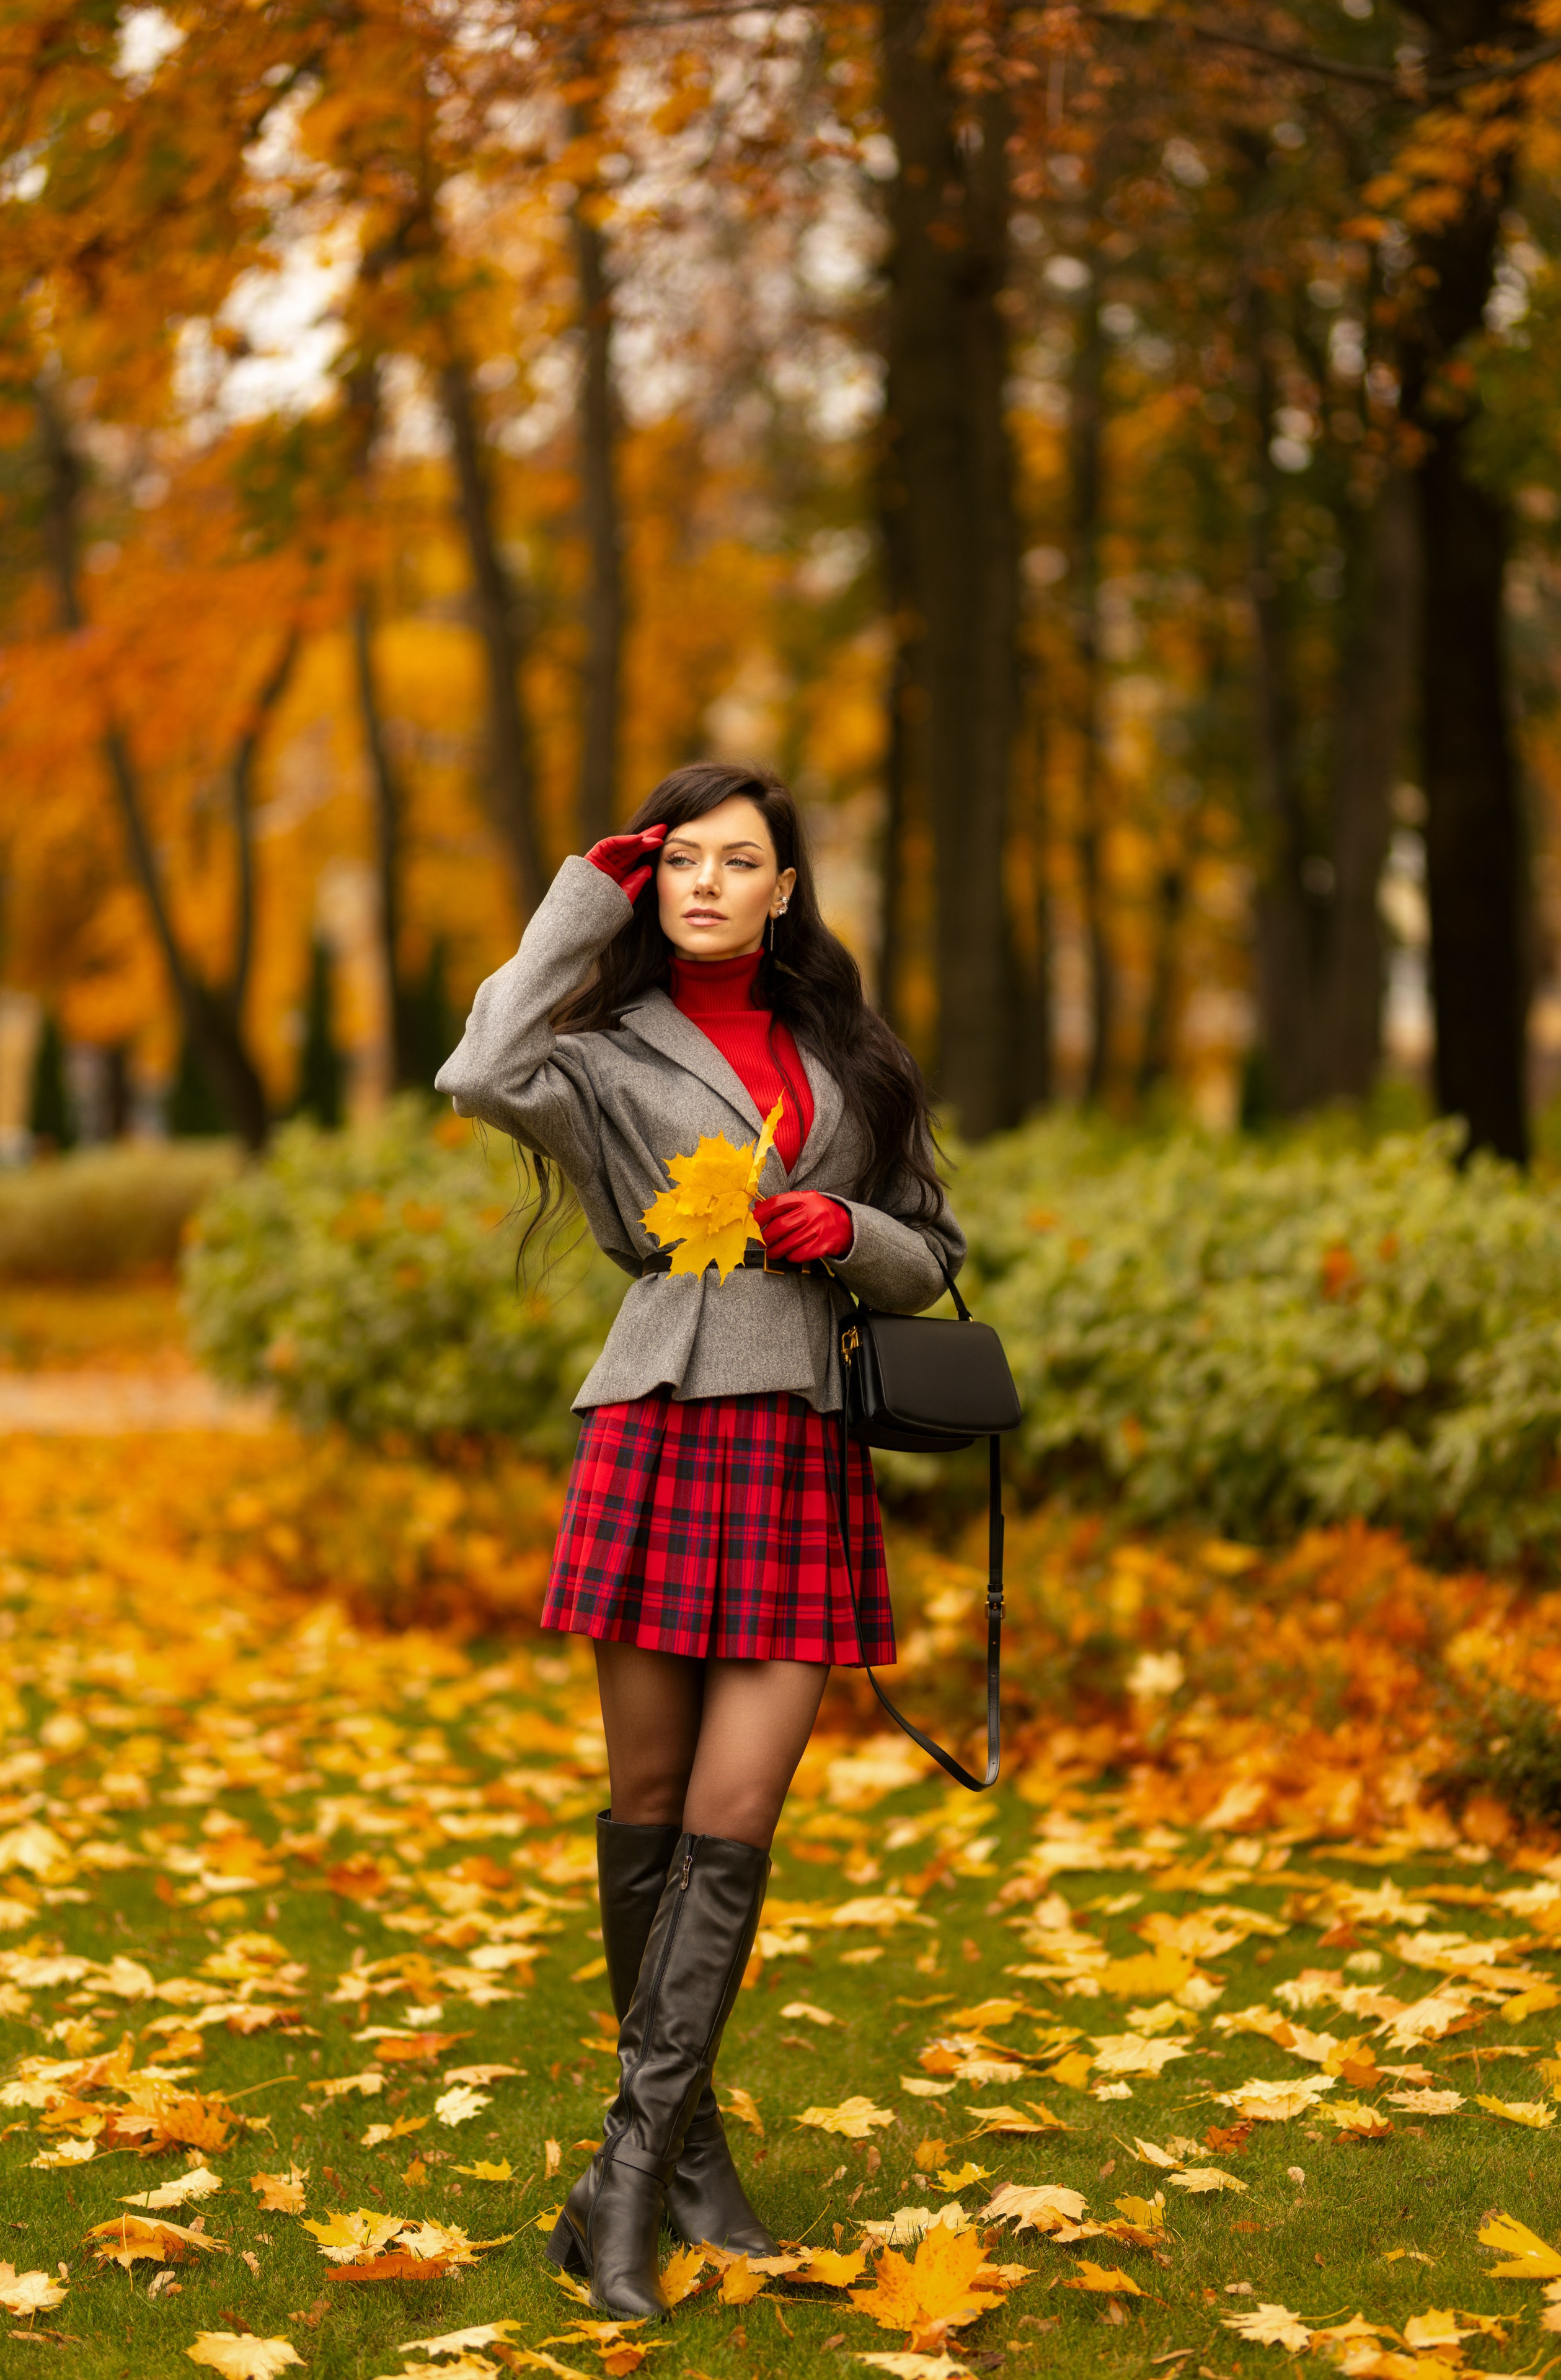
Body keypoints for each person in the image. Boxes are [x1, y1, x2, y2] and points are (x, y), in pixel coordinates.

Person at [436, 760, 964, 2317]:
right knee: (652, 1807)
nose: (712, 883)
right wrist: (577, 893)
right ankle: (681, 2161)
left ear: (786, 887)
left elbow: (931, 1252)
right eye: (682, 864)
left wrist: (844, 1231)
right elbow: (476, 1070)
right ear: (651, 887)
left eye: (743, 861)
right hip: (659, 1425)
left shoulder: (850, 1060)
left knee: (737, 1814)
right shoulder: (598, 1051)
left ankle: (619, 2178)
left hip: (800, 1442)